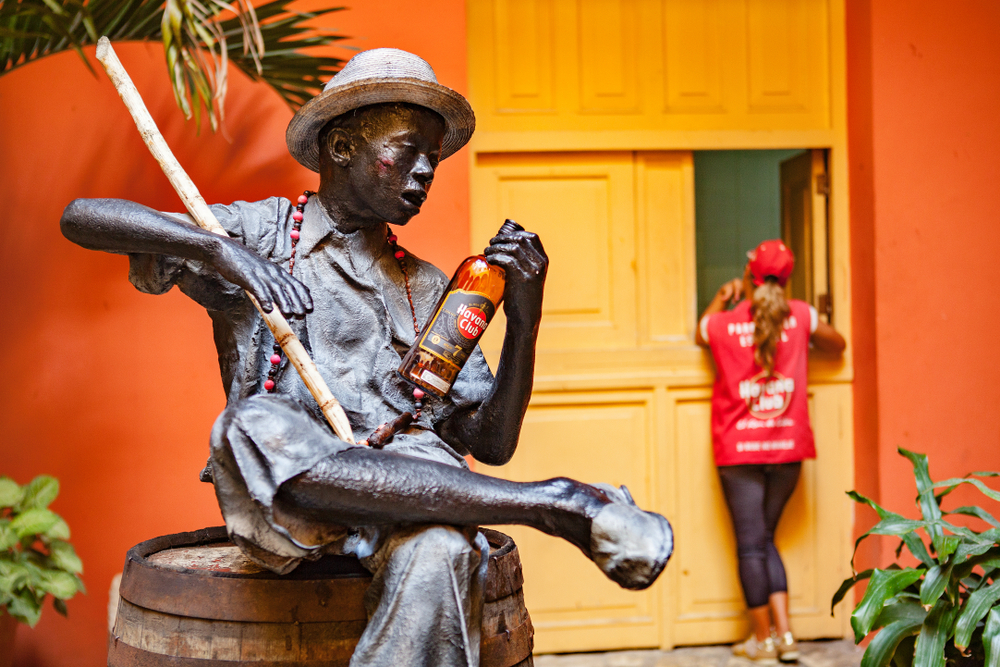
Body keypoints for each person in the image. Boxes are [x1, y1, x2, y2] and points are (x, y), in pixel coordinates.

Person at [60, 48, 672, 667]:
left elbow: (488, 443)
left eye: (433, 157)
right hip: (290, 497)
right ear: (343, 146)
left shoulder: (436, 287)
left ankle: (548, 502)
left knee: (443, 550)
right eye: (408, 149)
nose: (426, 170)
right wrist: (217, 253)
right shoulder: (263, 234)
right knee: (252, 426)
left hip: (407, 493)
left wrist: (525, 322)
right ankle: (553, 501)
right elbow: (83, 218)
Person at [695, 240, 845, 664]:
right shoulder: (800, 315)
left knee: (751, 546)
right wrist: (804, 333)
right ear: (788, 277)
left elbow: (699, 331)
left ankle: (762, 640)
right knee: (764, 539)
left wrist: (721, 298)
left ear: (749, 275)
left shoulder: (725, 322)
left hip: (738, 451)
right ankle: (787, 637)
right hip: (786, 449)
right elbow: (838, 344)